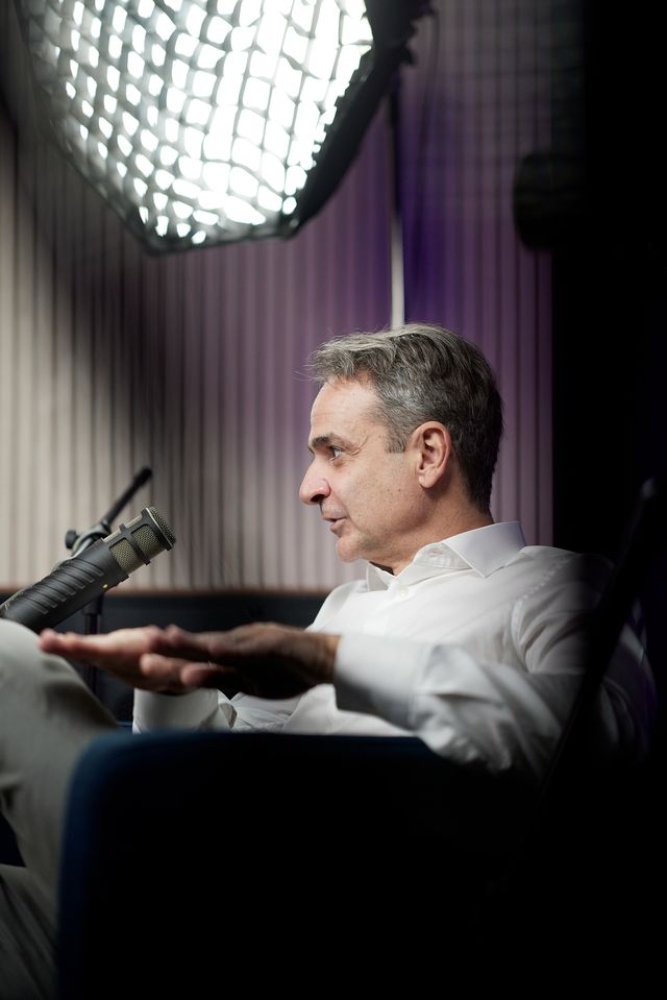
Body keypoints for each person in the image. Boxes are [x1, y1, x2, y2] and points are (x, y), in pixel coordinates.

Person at [0, 322, 657, 998]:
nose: (308, 486)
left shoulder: (555, 585)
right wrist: (170, 687)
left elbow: (600, 740)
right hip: (198, 879)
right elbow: (223, 760)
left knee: (3, 656)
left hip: (302, 924)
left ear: (429, 454)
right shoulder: (345, 606)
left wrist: (332, 660)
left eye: (334, 453)